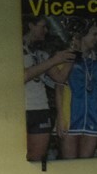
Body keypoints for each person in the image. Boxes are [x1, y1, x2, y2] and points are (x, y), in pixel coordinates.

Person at [51, 19, 97, 159]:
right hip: (70, 118)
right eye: (94, 34)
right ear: (82, 35)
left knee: (86, 165)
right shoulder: (65, 57)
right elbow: (59, 88)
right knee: (69, 165)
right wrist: (60, 117)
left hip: (93, 117)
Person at [22, 15, 73, 163]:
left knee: (37, 160)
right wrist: (54, 60)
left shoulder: (41, 53)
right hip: (21, 109)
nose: (46, 30)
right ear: (31, 26)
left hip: (40, 108)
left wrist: (71, 54)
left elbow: (60, 78)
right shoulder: (14, 48)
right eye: (43, 26)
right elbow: (23, 76)